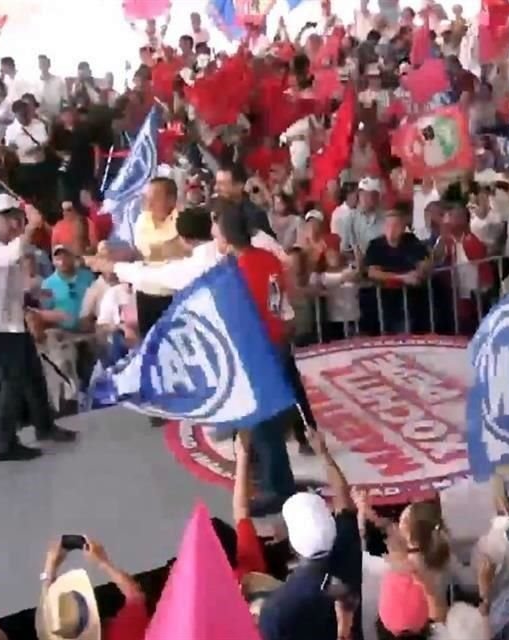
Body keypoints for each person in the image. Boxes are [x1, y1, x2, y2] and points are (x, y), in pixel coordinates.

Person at [212, 201, 308, 511]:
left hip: (256, 351)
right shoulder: (266, 258)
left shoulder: (235, 272)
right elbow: (279, 303)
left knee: (265, 425)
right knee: (267, 422)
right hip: (275, 344)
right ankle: (273, 480)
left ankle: (277, 488)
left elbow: (237, 317)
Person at [0, 194, 76, 462]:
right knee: (12, 381)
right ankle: (5, 445)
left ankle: (44, 426)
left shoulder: (3, 243)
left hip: (11, 324)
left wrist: (34, 296)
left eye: (17, 217)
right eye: (8, 218)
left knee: (33, 375)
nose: (14, 223)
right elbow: (9, 257)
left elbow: (13, 286)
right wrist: (31, 227)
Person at [258, 428, 361, 640]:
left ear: (293, 546)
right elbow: (344, 499)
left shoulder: (275, 609)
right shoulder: (347, 540)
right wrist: (324, 453)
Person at [37, 536, 150, 640]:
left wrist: (49, 569)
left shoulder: (63, 629)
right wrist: (103, 562)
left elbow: (51, 616)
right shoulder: (123, 631)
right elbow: (135, 595)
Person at [362, 208, 432, 335]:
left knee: (406, 333)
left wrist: (419, 272)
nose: (391, 229)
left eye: (395, 225)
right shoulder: (375, 245)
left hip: (409, 301)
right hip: (383, 301)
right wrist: (402, 277)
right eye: (388, 225)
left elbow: (424, 263)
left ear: (402, 227)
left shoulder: (411, 241)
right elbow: (373, 272)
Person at [132, 177, 182, 336]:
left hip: (173, 296)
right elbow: (144, 251)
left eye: (155, 198)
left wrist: (166, 250)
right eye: (148, 198)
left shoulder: (183, 220)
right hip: (145, 294)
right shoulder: (142, 220)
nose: (149, 203)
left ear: (171, 200)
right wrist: (168, 248)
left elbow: (179, 251)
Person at [5, 100, 50, 205]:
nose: (24, 117)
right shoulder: (11, 130)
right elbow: (9, 148)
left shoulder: (39, 124)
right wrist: (16, 150)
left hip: (41, 165)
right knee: (27, 198)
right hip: (24, 168)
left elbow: (44, 141)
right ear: (15, 114)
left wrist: (35, 148)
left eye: (26, 114)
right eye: (21, 115)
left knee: (43, 196)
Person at [40, 245, 95, 332]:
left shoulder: (88, 277)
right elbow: (44, 312)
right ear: (53, 262)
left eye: (66, 257)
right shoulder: (47, 284)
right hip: (62, 334)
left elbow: (97, 301)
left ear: (73, 258)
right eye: (58, 258)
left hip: (87, 332)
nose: (62, 261)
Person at [215, 163, 275, 237]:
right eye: (217, 183)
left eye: (222, 184)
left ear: (240, 185)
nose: (216, 188)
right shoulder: (217, 208)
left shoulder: (254, 216)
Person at [343, 177, 386, 259]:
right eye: (362, 194)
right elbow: (344, 249)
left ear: (377, 197)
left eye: (368, 195)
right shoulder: (350, 217)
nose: (364, 198)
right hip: (357, 264)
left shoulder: (386, 218)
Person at [35, 55, 68, 122]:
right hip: (41, 117)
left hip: (57, 116)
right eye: (40, 64)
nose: (43, 66)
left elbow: (65, 100)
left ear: (49, 65)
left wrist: (64, 115)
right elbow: (35, 103)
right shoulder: (35, 83)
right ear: (39, 66)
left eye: (44, 63)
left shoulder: (59, 80)